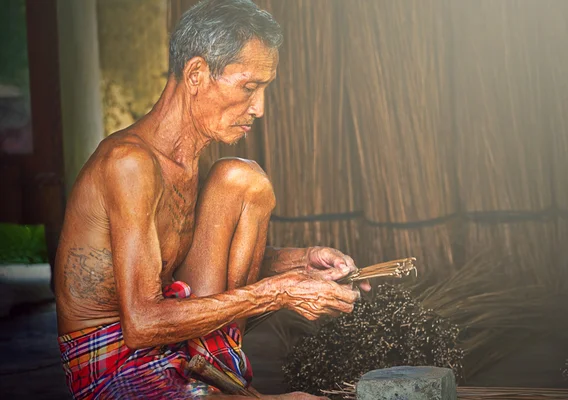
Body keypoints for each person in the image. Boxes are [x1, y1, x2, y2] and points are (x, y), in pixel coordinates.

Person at [54, 1, 369, 399]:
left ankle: (218, 378)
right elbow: (142, 325)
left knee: (242, 179)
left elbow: (180, 256)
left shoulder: (192, 163)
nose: (259, 108)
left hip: (183, 343)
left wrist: (299, 262)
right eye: (249, 87)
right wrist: (278, 292)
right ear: (197, 74)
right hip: (117, 361)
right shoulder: (129, 164)